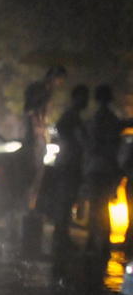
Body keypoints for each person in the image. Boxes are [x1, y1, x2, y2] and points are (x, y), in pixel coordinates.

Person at [83, 84, 129, 250]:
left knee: (96, 206)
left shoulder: (94, 120)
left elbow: (89, 145)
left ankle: (92, 241)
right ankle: (102, 242)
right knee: (103, 206)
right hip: (108, 168)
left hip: (95, 168)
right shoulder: (112, 120)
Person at [50, 85, 90, 250]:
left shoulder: (73, 116)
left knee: (66, 201)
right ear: (76, 98)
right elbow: (62, 128)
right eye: (84, 97)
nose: (86, 101)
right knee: (65, 201)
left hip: (68, 163)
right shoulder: (72, 116)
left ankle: (61, 235)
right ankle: (61, 236)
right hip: (68, 164)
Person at [23, 65, 67, 212]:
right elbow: (31, 110)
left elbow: (46, 118)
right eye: (59, 79)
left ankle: (31, 206)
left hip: (40, 135)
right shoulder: (39, 92)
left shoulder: (48, 94)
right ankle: (27, 206)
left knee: (39, 173)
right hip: (34, 137)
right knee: (33, 172)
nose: (59, 83)